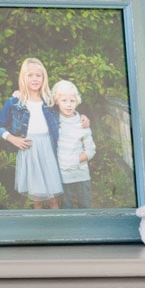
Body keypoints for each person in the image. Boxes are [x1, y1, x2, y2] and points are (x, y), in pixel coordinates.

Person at [0, 58, 87, 210]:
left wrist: (82, 117)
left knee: (53, 200)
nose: (35, 79)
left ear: (44, 78)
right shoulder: (14, 102)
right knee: (37, 200)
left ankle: (57, 230)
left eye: (39, 75)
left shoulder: (50, 100)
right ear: (23, 77)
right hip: (29, 151)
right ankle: (40, 230)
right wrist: (12, 138)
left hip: (49, 150)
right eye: (30, 75)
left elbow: (67, 108)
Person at [52, 80, 96, 209]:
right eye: (64, 100)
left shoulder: (82, 123)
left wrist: (76, 160)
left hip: (81, 175)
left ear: (77, 101)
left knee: (85, 206)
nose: (68, 105)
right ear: (56, 101)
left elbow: (91, 150)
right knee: (66, 208)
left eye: (72, 101)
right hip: (63, 177)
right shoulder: (54, 122)